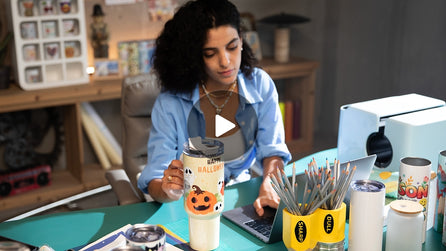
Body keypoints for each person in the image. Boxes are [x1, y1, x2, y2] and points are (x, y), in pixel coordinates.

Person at [137, 0, 291, 216]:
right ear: (193, 56)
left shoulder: (259, 84)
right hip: (189, 206)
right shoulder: (171, 102)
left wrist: (270, 184)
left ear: (242, 40)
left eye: (232, 46)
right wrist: (167, 190)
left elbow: (273, 150)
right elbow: (155, 175)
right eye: (210, 53)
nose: (226, 61)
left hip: (239, 200)